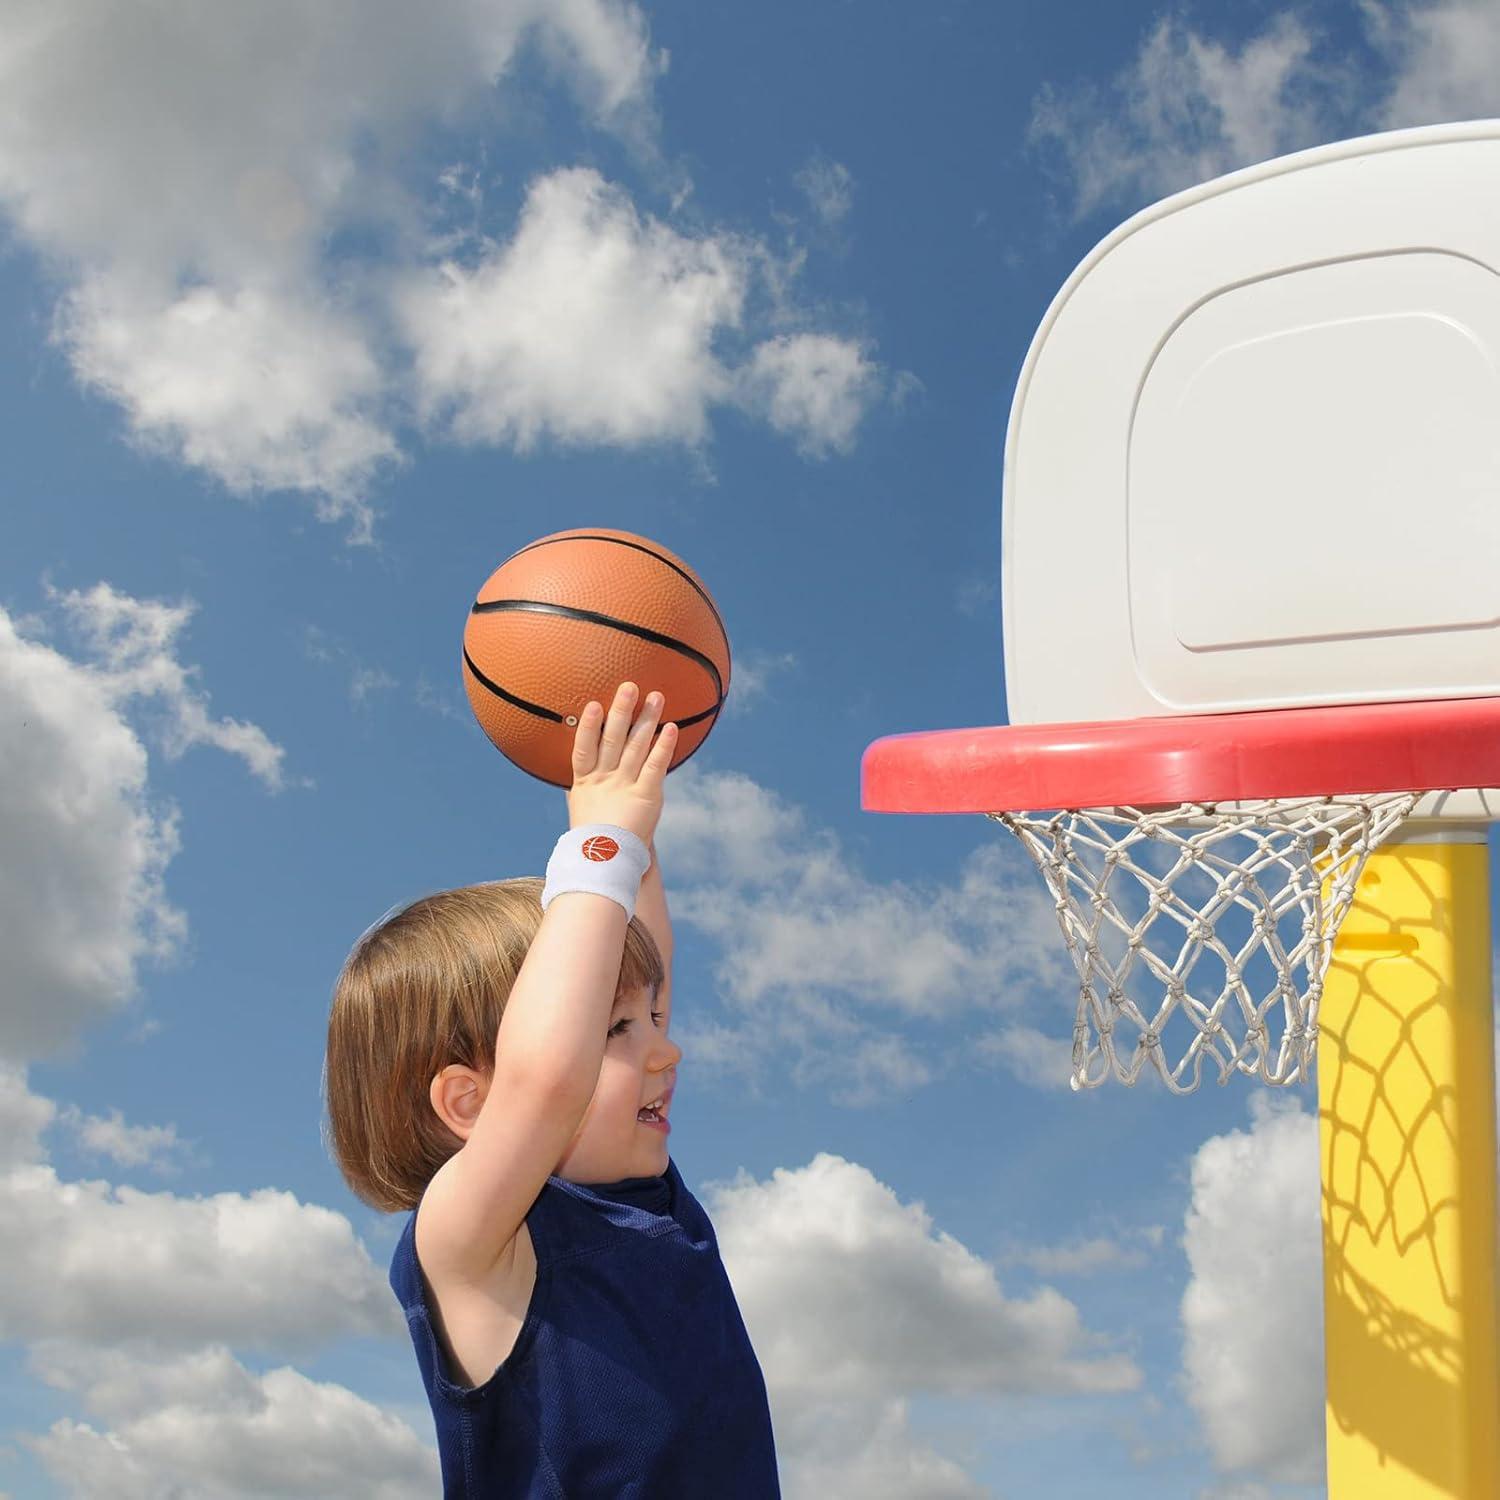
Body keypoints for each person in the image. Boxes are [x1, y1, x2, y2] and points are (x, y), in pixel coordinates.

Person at [323, 681, 780, 1497]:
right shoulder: (473, 1243)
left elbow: (638, 958)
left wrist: (626, 823)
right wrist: (602, 842)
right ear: (468, 1104)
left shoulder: (647, 1206)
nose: (667, 1050)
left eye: (654, 1018)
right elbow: (546, 1078)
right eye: (615, 1031)